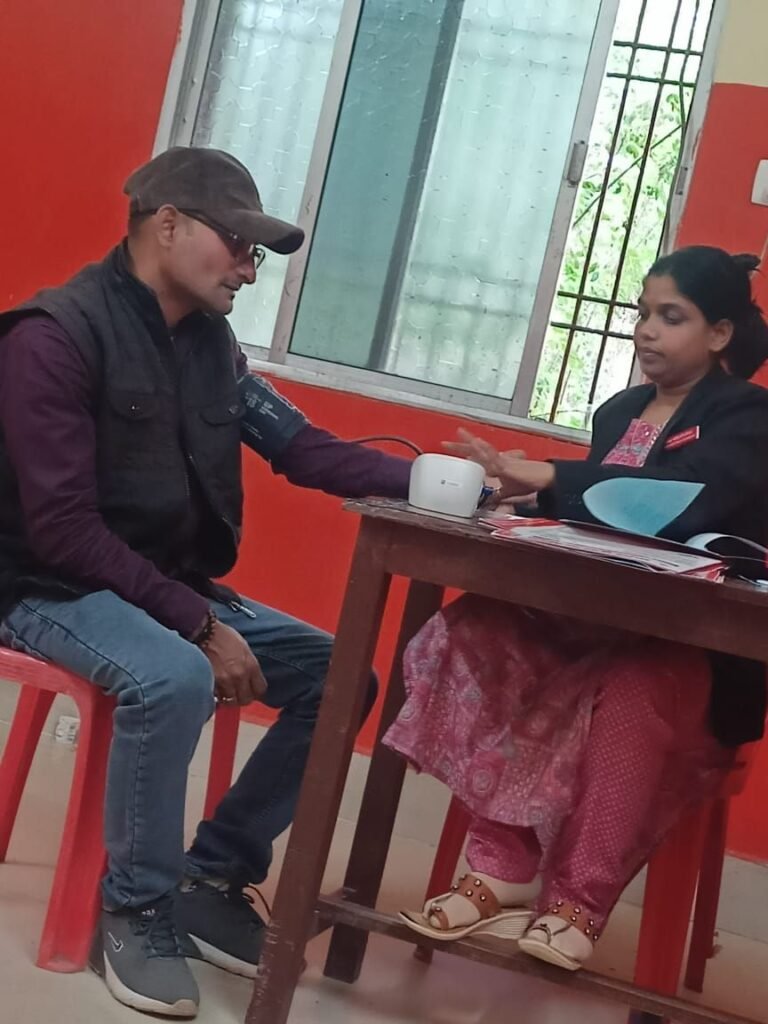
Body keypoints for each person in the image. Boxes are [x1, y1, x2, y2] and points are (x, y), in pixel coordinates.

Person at [0, 147, 414, 1017]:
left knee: (343, 676)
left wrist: (446, 483)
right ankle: (135, 908)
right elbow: (64, 531)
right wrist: (197, 623)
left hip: (159, 584)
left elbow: (303, 450)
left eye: (255, 253)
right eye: (237, 245)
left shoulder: (212, 348)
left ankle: (212, 876)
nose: (249, 269)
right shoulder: (53, 338)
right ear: (167, 225)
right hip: (44, 588)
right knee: (174, 674)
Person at [385, 246, 768, 971]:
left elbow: (682, 500)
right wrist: (518, 500)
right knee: (480, 628)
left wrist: (543, 472)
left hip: (689, 659)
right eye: (643, 314)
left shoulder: (749, 417)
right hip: (588, 630)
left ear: (719, 333)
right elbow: (590, 511)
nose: (647, 330)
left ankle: (576, 903)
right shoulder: (618, 411)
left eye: (671, 317)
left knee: (632, 685)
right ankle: (503, 864)